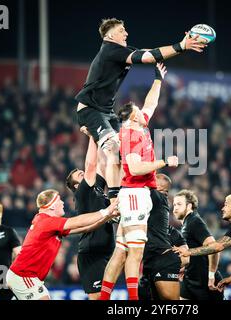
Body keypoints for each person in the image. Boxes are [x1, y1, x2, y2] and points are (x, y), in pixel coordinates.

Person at [74, 18, 206, 204]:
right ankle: (113, 201)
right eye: (121, 30)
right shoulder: (111, 51)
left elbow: (150, 57)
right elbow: (149, 57)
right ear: (110, 35)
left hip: (105, 111)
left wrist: (158, 79)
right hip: (91, 109)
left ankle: (111, 192)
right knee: (112, 148)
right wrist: (181, 46)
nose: (126, 33)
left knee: (118, 155)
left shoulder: (121, 52)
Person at [99, 64, 179, 300]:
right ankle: (133, 301)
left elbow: (151, 103)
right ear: (132, 115)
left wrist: (157, 79)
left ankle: (104, 298)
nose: (143, 111)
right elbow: (134, 167)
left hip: (132, 193)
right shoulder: (131, 133)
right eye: (138, 110)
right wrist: (164, 161)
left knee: (121, 251)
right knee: (135, 251)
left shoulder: (138, 126)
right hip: (135, 193)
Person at [6, 189, 118, 300]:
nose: (63, 203)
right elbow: (78, 221)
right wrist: (106, 211)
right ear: (52, 206)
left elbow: (85, 228)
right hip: (23, 275)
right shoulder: (46, 222)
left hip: (27, 276)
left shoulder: (47, 222)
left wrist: (108, 217)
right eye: (59, 200)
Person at [65, 134, 115, 300]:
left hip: (106, 250)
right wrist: (92, 136)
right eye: (80, 175)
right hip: (92, 252)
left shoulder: (97, 190)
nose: (84, 173)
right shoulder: (82, 193)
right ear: (77, 186)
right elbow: (91, 164)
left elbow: (100, 163)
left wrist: (102, 138)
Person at [141, 173, 188, 300]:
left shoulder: (157, 196)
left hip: (162, 259)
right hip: (150, 262)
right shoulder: (167, 227)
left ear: (159, 188)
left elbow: (186, 254)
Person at [172, 190, 224, 300]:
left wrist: (211, 276)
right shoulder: (186, 223)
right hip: (190, 280)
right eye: (174, 205)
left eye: (179, 204)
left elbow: (214, 247)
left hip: (205, 284)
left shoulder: (194, 221)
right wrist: (185, 266)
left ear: (189, 206)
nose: (175, 208)